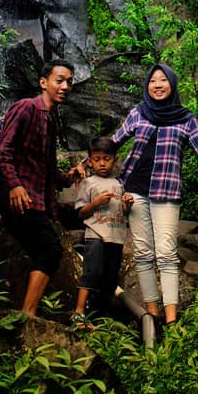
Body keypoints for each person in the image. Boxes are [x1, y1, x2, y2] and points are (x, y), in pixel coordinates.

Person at [112, 63, 198, 325]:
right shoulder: (138, 113)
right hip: (134, 190)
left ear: (172, 84)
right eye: (153, 80)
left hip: (166, 191)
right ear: (147, 86)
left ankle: (171, 319)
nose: (157, 85)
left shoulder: (185, 119)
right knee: (142, 253)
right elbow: (112, 143)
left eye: (163, 80)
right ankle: (151, 315)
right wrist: (87, 166)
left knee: (166, 253)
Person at [0, 60, 76, 317]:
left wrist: (67, 178)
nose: (65, 86)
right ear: (43, 82)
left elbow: (47, 171)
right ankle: (28, 313)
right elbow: (3, 149)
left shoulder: (50, 120)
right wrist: (15, 185)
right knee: (50, 248)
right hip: (19, 197)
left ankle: (25, 311)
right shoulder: (26, 108)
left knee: (44, 250)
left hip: (35, 199)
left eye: (69, 82)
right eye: (59, 80)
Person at [71, 137, 132, 329]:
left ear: (115, 160)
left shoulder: (119, 184)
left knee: (110, 277)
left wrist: (127, 204)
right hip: (95, 235)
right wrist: (96, 203)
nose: (102, 163)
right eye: (97, 159)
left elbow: (123, 212)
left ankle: (100, 317)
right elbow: (80, 212)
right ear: (90, 162)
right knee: (91, 273)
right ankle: (79, 312)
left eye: (106, 158)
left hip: (116, 236)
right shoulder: (88, 183)